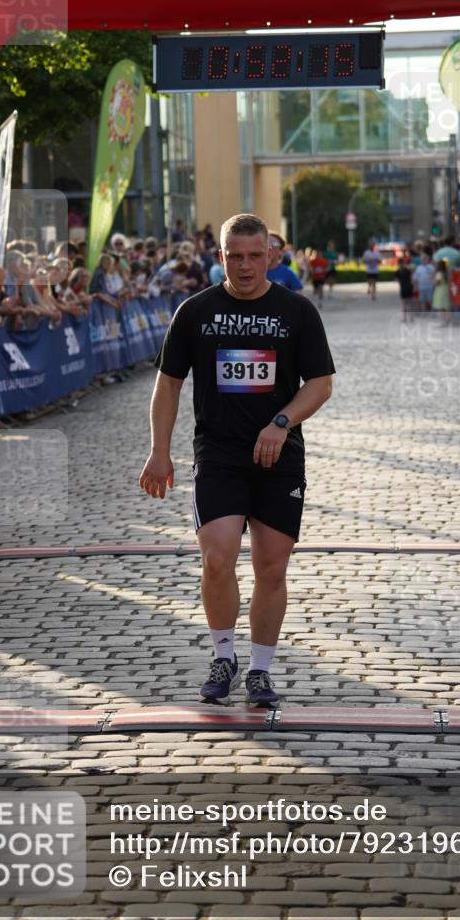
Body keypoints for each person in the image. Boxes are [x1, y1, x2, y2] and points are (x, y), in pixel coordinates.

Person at [139, 213, 334, 708]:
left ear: (271, 255)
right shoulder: (195, 312)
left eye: (254, 255)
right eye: (235, 256)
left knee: (272, 567)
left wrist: (282, 421)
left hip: (279, 455)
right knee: (218, 556)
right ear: (220, 256)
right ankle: (223, 655)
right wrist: (160, 451)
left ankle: (261, 669)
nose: (245, 266)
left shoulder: (297, 312)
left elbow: (320, 384)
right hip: (220, 453)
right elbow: (168, 385)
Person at [396, 254, 414, 323]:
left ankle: (404, 318)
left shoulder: (398, 271)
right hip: (409, 287)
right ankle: (411, 317)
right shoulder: (408, 270)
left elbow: (397, 280)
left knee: (404, 304)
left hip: (403, 288)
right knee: (410, 303)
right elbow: (411, 279)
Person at [432, 259, 451, 324]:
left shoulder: (439, 274)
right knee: (446, 306)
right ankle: (447, 319)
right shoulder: (446, 273)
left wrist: (433, 280)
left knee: (440, 307)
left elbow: (437, 283)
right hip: (446, 289)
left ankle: (444, 320)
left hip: (440, 291)